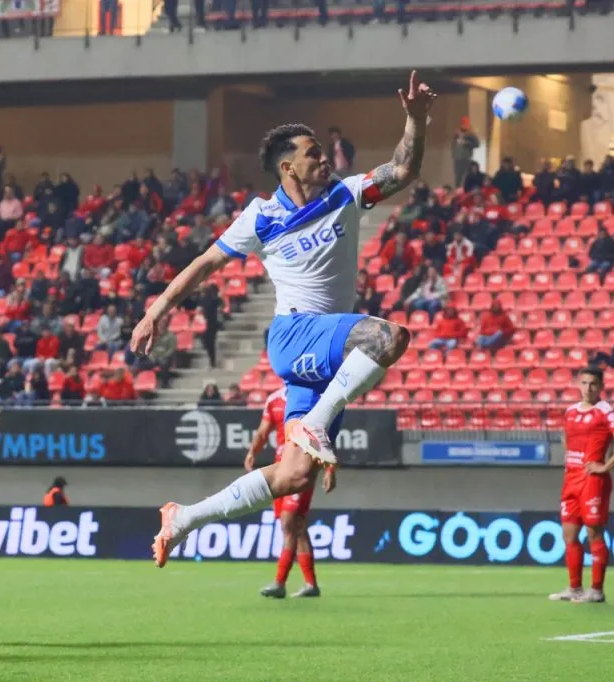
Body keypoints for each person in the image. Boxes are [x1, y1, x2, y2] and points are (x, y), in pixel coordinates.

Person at [132, 71, 435, 568]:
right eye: (314, 153)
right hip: (294, 336)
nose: (325, 158)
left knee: (293, 476)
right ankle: (314, 424)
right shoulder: (260, 216)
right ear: (288, 167)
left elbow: (402, 170)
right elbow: (207, 262)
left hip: (326, 355)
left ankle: (184, 518)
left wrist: (415, 121)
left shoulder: (346, 193)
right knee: (387, 336)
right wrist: (157, 309)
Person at [549, 368, 614, 604]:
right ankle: (574, 588)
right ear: (578, 384)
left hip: (592, 481)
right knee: (569, 534)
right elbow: (566, 438)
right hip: (571, 479)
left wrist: (606, 466)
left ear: (601, 387)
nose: (588, 388)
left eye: (593, 384)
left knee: (593, 533)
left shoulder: (604, 410)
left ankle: (596, 590)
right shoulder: (570, 411)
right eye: (584, 383)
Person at [245, 388, 335, 599]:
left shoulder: (312, 399)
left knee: (288, 522)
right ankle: (311, 584)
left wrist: (329, 469)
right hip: (281, 471)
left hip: (302, 469)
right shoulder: (273, 400)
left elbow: (325, 435)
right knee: (298, 528)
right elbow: (262, 431)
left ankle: (279, 582)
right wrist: (252, 452)